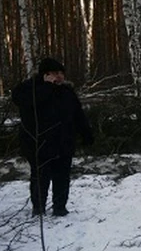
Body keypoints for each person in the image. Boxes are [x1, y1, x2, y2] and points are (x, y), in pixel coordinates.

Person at [11, 57, 93, 216]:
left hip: (63, 142)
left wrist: (86, 133)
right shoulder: (28, 89)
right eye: (56, 73)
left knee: (62, 176)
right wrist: (47, 87)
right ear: (45, 74)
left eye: (62, 73)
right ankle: (38, 207)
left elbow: (78, 114)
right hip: (37, 143)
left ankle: (60, 207)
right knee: (40, 176)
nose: (60, 76)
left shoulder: (67, 92)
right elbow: (27, 102)